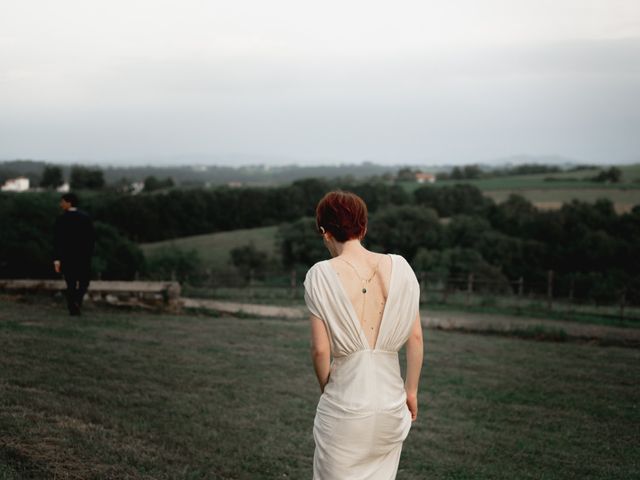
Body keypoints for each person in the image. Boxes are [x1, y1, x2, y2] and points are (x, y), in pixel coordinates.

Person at [304, 191, 424, 479]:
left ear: (325, 232)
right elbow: (416, 338)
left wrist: (327, 387)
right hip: (392, 406)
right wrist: (411, 392)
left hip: (345, 405)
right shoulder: (402, 268)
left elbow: (320, 351)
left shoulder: (320, 274)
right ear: (364, 227)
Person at [53, 192, 95, 316]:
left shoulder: (61, 219)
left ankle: (73, 305)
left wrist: (57, 259)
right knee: (84, 282)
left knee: (70, 282)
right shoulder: (86, 218)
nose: (61, 204)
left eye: (62, 202)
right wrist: (89, 254)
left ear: (69, 203)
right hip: (83, 256)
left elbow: (57, 240)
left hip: (67, 256)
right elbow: (91, 239)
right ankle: (77, 300)